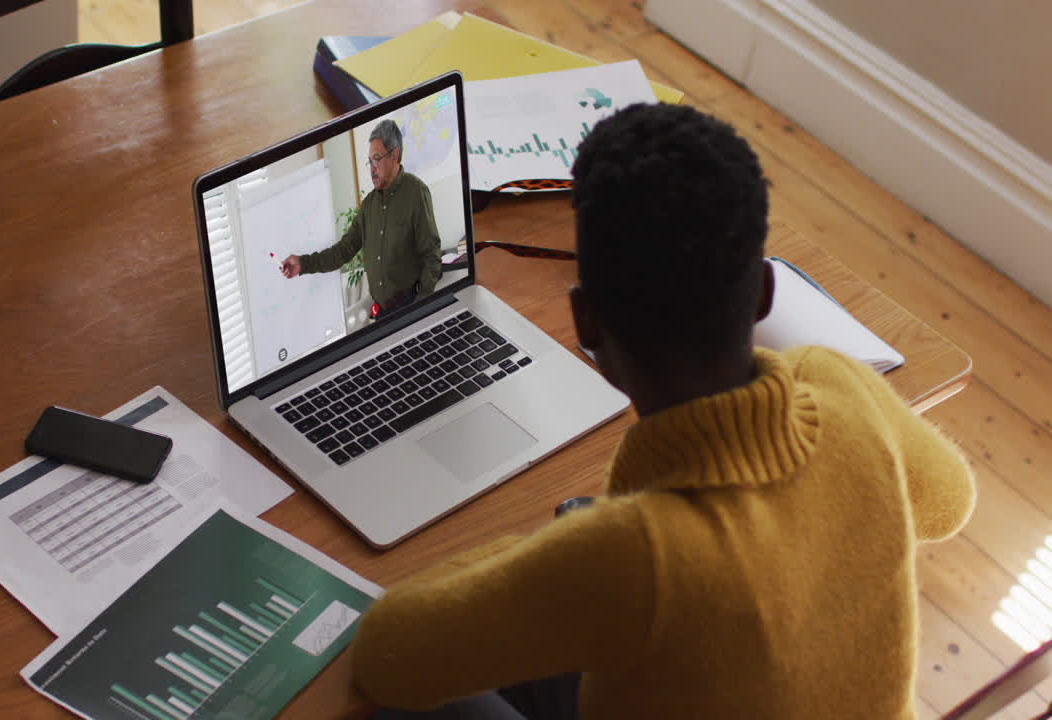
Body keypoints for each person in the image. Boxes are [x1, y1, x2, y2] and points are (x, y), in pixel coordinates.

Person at [349, 104, 976, 718]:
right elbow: (950, 502)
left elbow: (386, 653)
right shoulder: (841, 386)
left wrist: (557, 551)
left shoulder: (627, 558)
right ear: (762, 291)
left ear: (587, 322)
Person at [279, 119, 443, 318]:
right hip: (382, 315)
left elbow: (431, 256)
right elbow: (341, 251)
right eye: (369, 161)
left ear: (394, 156)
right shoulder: (368, 207)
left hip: (411, 310)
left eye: (376, 159)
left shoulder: (415, 191)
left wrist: (421, 308)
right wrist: (303, 264)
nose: (371, 168)